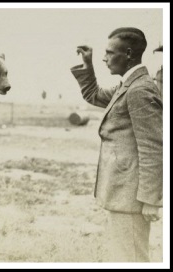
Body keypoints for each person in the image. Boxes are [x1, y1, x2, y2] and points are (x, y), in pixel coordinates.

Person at [71, 27, 163, 262]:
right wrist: (88, 64)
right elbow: (94, 94)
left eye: (110, 53)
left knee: (131, 258)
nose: (105, 58)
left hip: (131, 197)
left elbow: (153, 148)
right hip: (122, 194)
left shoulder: (139, 90)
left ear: (129, 53)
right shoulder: (128, 85)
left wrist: (151, 200)